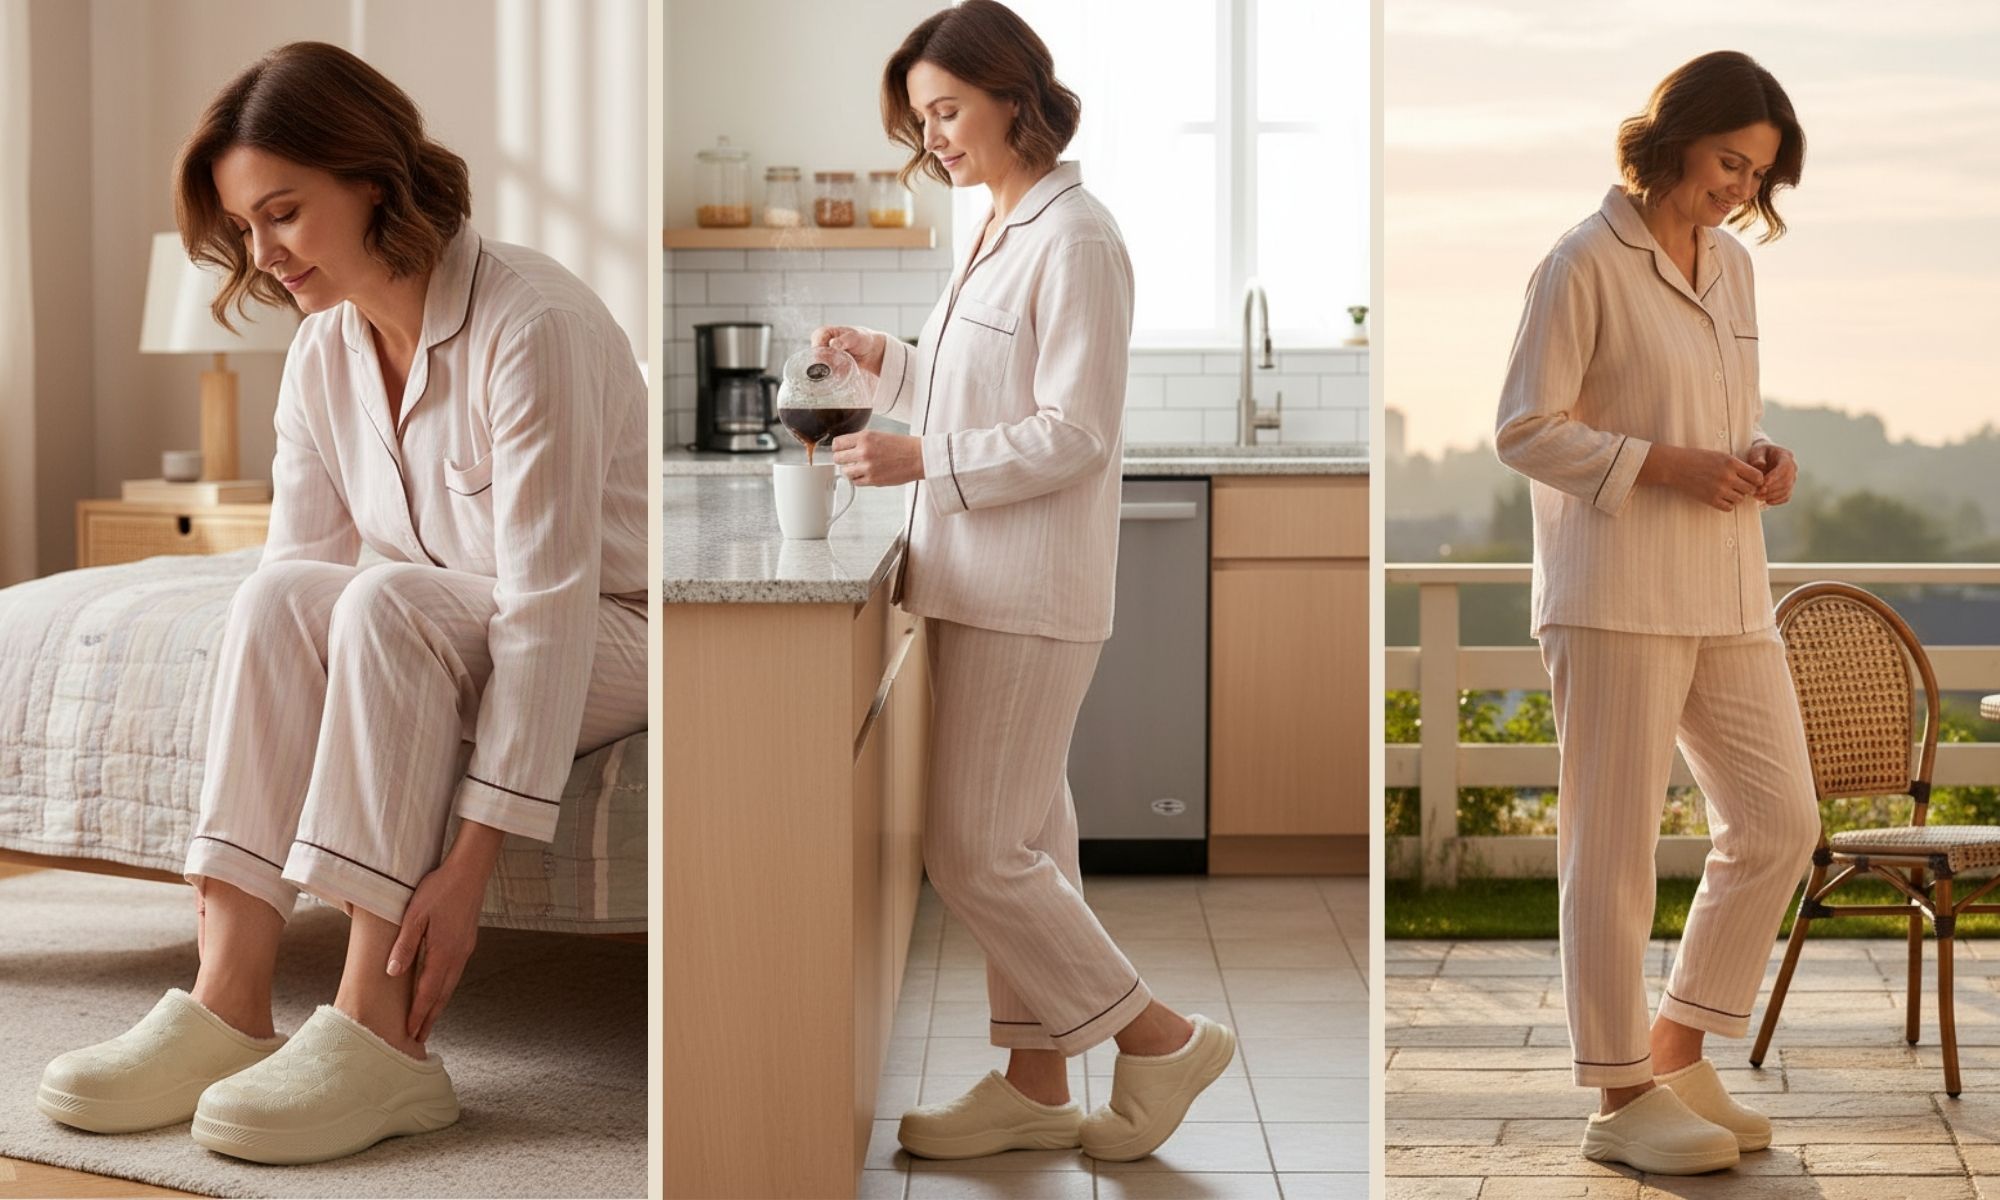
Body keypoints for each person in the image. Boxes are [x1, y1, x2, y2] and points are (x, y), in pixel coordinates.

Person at [36, 41, 647, 1165]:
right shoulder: (322, 351)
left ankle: (383, 1037)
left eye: (284, 215)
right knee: (280, 599)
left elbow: (548, 610)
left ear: (374, 178)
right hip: (456, 627)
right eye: (245, 229)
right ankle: (227, 1002)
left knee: (383, 606)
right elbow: (295, 593)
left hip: (618, 631)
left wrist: (471, 863)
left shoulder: (533, 323)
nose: (264, 257)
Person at [812, 0, 1235, 1165]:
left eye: (946, 110)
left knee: (974, 850)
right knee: (1029, 839)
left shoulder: (1076, 236)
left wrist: (919, 459)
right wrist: (889, 364)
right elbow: (979, 389)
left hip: (1027, 587)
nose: (934, 137)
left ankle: (1157, 1038)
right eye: (921, 119)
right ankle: (1035, 1080)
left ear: (1013, 94)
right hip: (973, 576)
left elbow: (1073, 432)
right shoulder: (996, 226)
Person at [1494, 49, 1818, 1176]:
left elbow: (1722, 414)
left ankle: (1675, 1051)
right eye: (1729, 160)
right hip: (1614, 595)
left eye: (1757, 173)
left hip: (1729, 589)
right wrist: (1666, 466)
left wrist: (1760, 458)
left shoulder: (1729, 267)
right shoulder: (1580, 260)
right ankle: (1617, 1092)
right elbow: (1523, 429)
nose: (1737, 187)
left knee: (1779, 823)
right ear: (1673, 135)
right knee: (1613, 849)